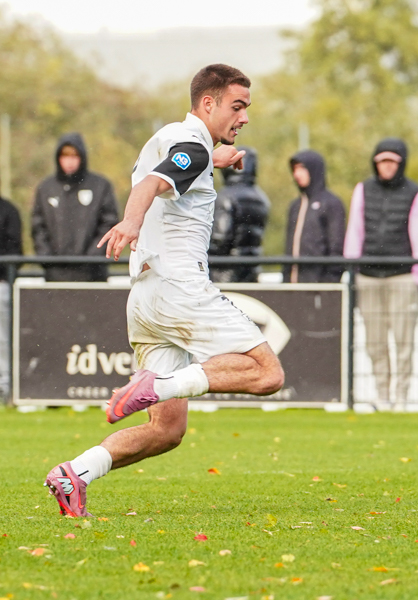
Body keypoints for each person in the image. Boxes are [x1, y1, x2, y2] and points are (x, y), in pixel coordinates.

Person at [43, 64, 285, 518]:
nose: (245, 117)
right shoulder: (192, 144)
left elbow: (171, 170)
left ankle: (74, 473)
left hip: (146, 297)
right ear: (207, 104)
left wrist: (217, 159)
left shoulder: (173, 138)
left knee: (167, 430)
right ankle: (161, 383)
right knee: (267, 372)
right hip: (179, 285)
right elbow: (158, 182)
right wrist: (131, 222)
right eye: (238, 106)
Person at [344, 138, 418, 412]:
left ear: (401, 163)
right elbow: (355, 230)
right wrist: (352, 267)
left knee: (403, 340)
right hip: (368, 277)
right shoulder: (363, 190)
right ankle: (382, 395)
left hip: (402, 277)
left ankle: (401, 398)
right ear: (375, 163)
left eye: (392, 162)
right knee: (375, 341)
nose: (386, 167)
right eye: (382, 161)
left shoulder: (415, 193)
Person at [31, 132, 120, 282]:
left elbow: (109, 223)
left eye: (74, 156)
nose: (69, 161)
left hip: (93, 275)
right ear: (58, 158)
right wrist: (48, 260)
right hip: (55, 276)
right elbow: (38, 228)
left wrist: (92, 259)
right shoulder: (46, 188)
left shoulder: (100, 186)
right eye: (65, 156)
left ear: (82, 157)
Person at [208, 146, 270, 283]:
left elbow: (220, 239)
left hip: (224, 272)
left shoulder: (226, 197)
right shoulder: (261, 198)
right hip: (251, 270)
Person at [283, 150, 346, 284]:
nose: (296, 174)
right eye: (294, 169)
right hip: (292, 285)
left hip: (319, 286)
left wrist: (329, 282)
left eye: (301, 169)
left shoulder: (332, 203)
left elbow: (336, 247)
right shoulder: (295, 205)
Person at [0, 192, 22, 399]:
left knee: (3, 339)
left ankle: (5, 387)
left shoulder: (7, 210)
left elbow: (15, 249)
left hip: (0, 283)